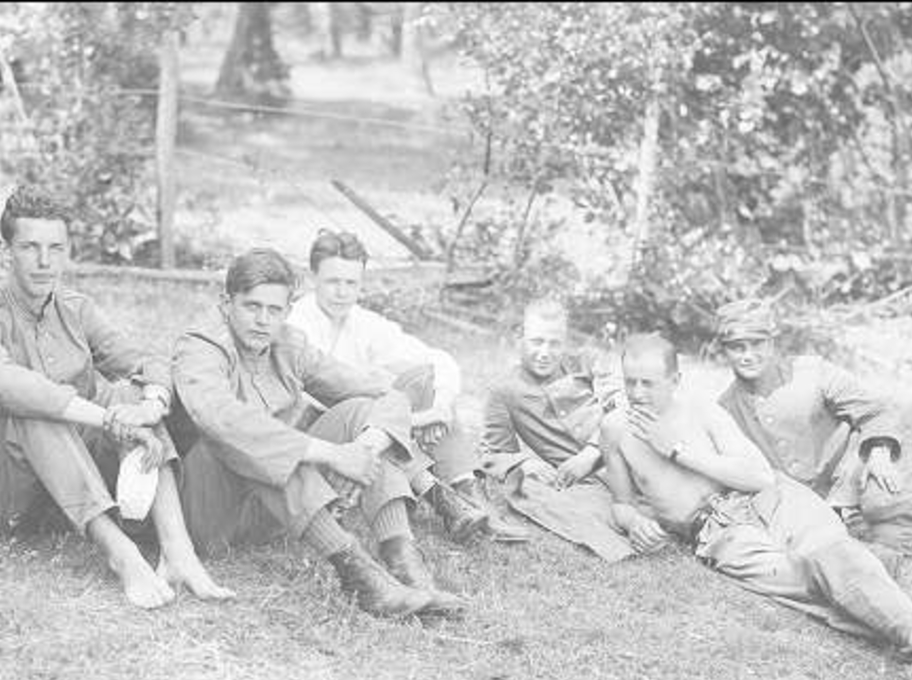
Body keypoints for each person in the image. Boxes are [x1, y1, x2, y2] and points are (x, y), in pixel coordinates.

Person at [598, 333, 912, 680]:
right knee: (810, 583)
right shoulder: (615, 430)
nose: (637, 393)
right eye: (630, 382)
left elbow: (757, 476)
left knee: (832, 554)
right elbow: (621, 503)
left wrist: (677, 450)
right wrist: (634, 523)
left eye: (648, 383)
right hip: (719, 534)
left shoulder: (704, 412)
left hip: (772, 498)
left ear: (675, 379)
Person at [0, 185, 233, 610]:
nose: (44, 261)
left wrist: (149, 406)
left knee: (130, 393)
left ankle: (177, 550)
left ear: (67, 252)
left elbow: (147, 361)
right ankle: (122, 555)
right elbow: (5, 383)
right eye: (30, 247)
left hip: (70, 485)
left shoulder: (75, 308)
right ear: (5, 253)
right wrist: (106, 419)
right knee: (34, 408)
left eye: (55, 248)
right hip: (1, 490)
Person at [169, 247, 464, 620]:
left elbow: (384, 394)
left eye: (274, 310)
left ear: (288, 311)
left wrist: (363, 450)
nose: (262, 320)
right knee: (255, 438)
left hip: (273, 510)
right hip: (208, 513)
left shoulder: (290, 344)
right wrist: (332, 454)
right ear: (227, 303)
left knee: (361, 413)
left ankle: (403, 560)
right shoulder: (201, 344)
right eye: (252, 307)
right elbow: (220, 418)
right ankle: (358, 573)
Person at [714, 298, 912, 570]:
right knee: (875, 539)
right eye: (737, 347)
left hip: (857, 470)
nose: (748, 355)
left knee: (879, 504)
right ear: (724, 350)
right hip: (816, 505)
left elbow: (874, 412)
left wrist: (879, 453)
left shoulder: (812, 372)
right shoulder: (724, 410)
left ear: (772, 342)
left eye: (757, 344)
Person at [286, 229, 530, 545]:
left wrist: (440, 407)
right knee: (376, 407)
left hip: (372, 427)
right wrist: (412, 420)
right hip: (320, 436)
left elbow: (436, 360)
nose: (342, 293)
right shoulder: (298, 324)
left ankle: (471, 496)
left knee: (422, 379)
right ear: (313, 277)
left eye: (352, 283)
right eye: (333, 281)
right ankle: (442, 499)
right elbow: (322, 402)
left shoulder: (361, 321)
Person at [479, 299, 634, 561]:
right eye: (536, 342)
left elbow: (626, 403)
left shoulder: (586, 361)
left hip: (628, 451)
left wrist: (591, 453)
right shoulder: (503, 391)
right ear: (520, 338)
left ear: (565, 342)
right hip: (591, 484)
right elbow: (492, 452)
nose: (545, 352)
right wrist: (524, 463)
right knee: (532, 492)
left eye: (554, 343)